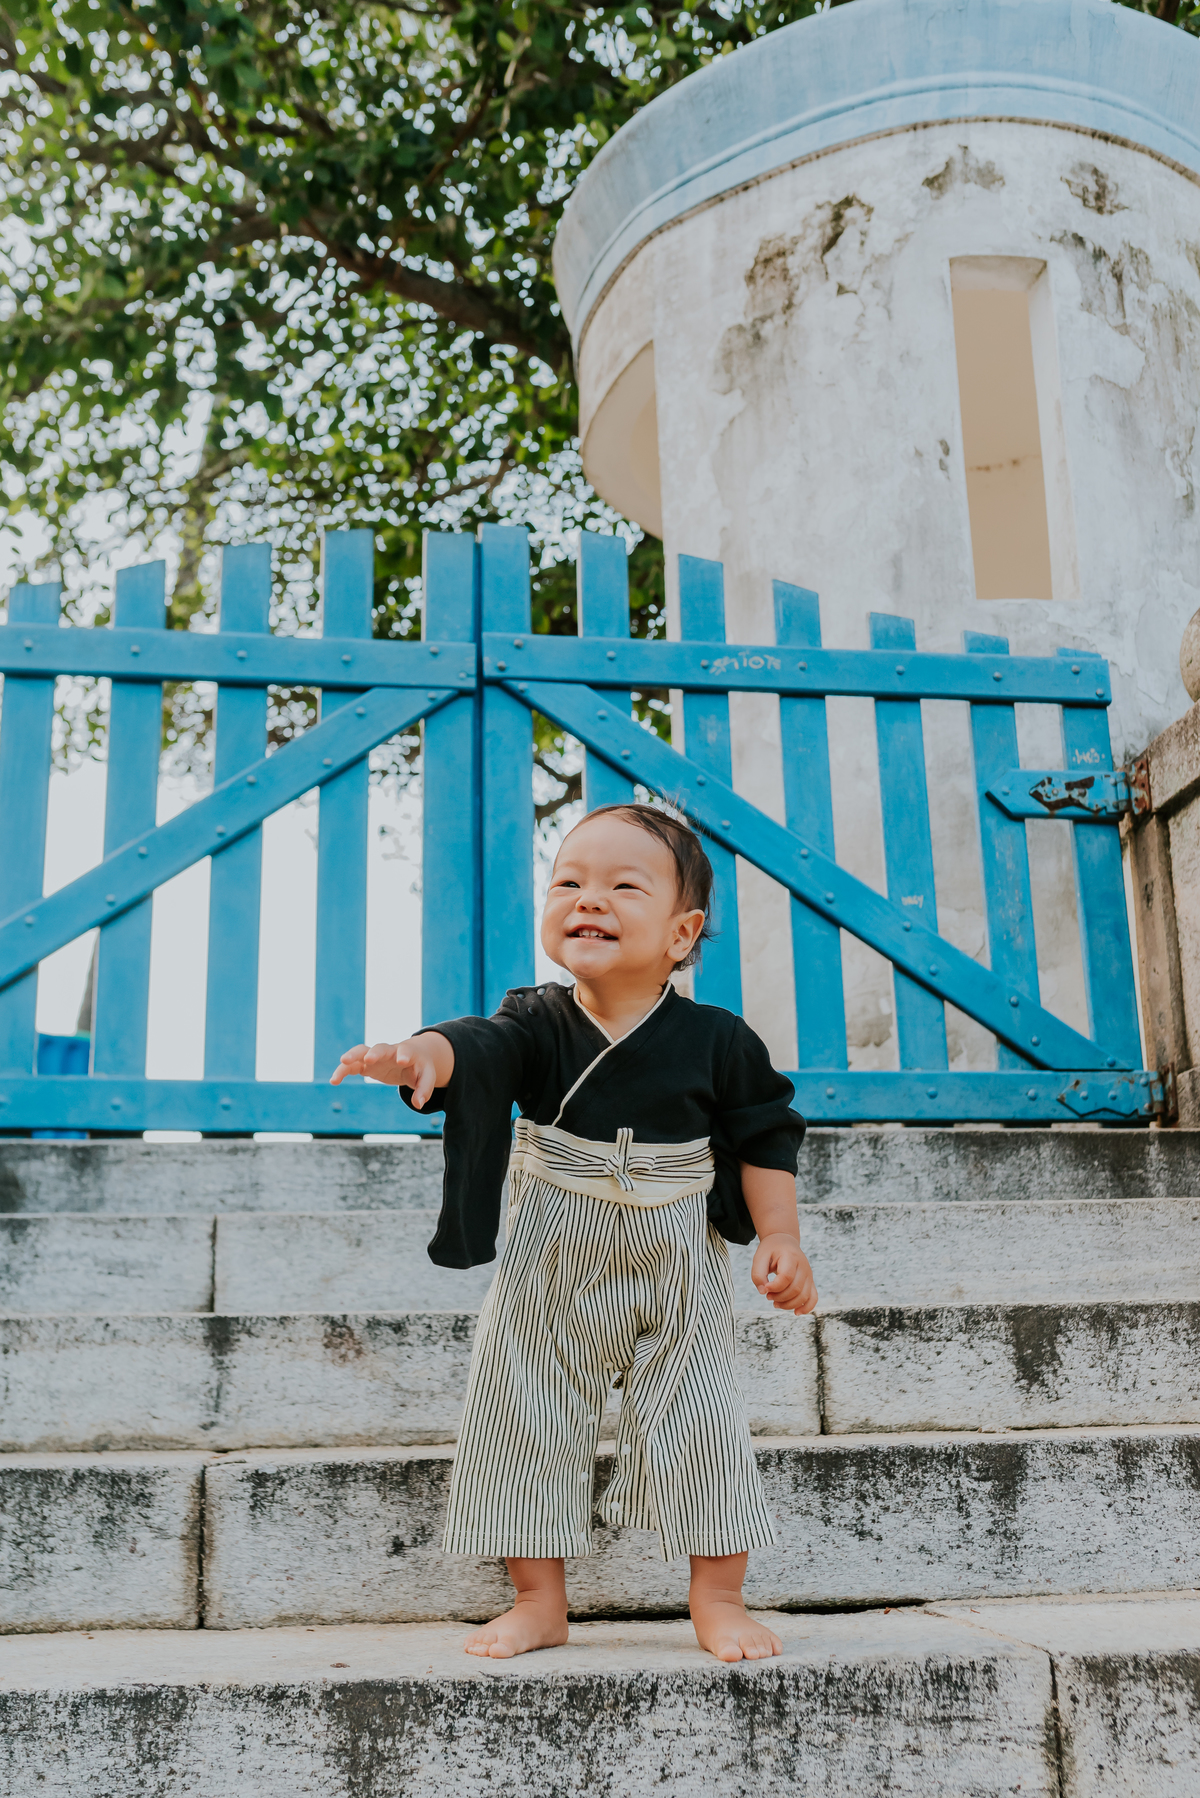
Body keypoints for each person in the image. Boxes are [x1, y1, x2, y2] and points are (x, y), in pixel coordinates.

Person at [331, 801, 817, 1663]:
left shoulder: (718, 1039)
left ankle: (719, 1597)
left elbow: (762, 1136)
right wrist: (420, 1058)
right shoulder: (535, 1019)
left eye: (623, 885)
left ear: (682, 932)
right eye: (568, 881)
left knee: (698, 1418)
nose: (587, 897)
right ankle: (538, 1601)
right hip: (555, 1242)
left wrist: (780, 1236)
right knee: (522, 1411)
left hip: (675, 1252)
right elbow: (475, 1048)